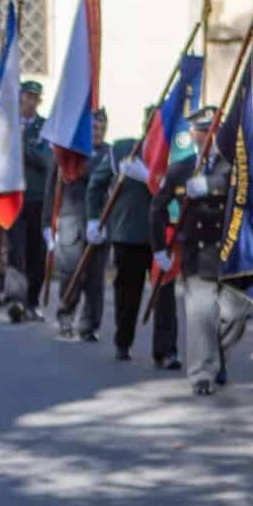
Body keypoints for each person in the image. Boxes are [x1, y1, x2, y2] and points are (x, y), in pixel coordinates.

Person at [150, 107, 248, 396]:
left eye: (214, 131)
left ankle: (215, 356)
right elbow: (157, 207)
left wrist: (211, 186)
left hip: (230, 254)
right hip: (196, 254)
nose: (209, 137)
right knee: (201, 315)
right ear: (193, 134)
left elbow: (246, 187)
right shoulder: (180, 169)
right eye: (203, 131)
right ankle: (202, 374)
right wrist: (159, 248)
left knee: (235, 316)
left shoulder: (233, 167)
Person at [88, 107, 181, 367]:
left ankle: (166, 352)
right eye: (153, 125)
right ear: (145, 125)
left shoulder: (176, 157)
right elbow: (96, 185)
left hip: (163, 235)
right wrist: (94, 219)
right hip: (129, 233)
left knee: (164, 295)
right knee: (127, 295)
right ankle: (123, 341)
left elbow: (181, 192)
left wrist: (148, 178)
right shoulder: (122, 150)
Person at [53, 108, 109, 341]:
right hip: (72, 223)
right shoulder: (71, 153)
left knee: (95, 279)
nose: (97, 130)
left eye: (102, 126)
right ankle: (66, 317)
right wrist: (47, 222)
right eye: (93, 126)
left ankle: (89, 326)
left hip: (100, 223)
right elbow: (52, 187)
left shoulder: (110, 153)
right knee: (70, 274)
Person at [4, 80, 54, 321]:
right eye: (26, 96)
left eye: (34, 97)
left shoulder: (46, 128)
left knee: (36, 253)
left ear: (39, 101)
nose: (29, 101)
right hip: (12, 197)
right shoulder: (8, 125)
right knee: (15, 250)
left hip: (37, 199)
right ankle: (16, 300)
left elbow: (47, 161)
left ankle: (32, 301)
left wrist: (21, 146)